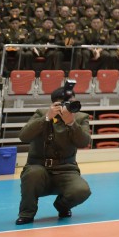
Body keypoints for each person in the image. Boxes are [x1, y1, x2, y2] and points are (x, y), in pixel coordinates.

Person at [15, 84, 91, 225]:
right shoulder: (41, 113)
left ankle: (62, 206)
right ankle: (26, 213)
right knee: (32, 174)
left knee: (82, 190)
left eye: (71, 103)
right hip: (38, 167)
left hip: (66, 170)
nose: (68, 107)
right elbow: (23, 136)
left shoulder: (80, 118)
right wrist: (47, 118)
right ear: (54, 104)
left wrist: (71, 123)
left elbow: (84, 142)